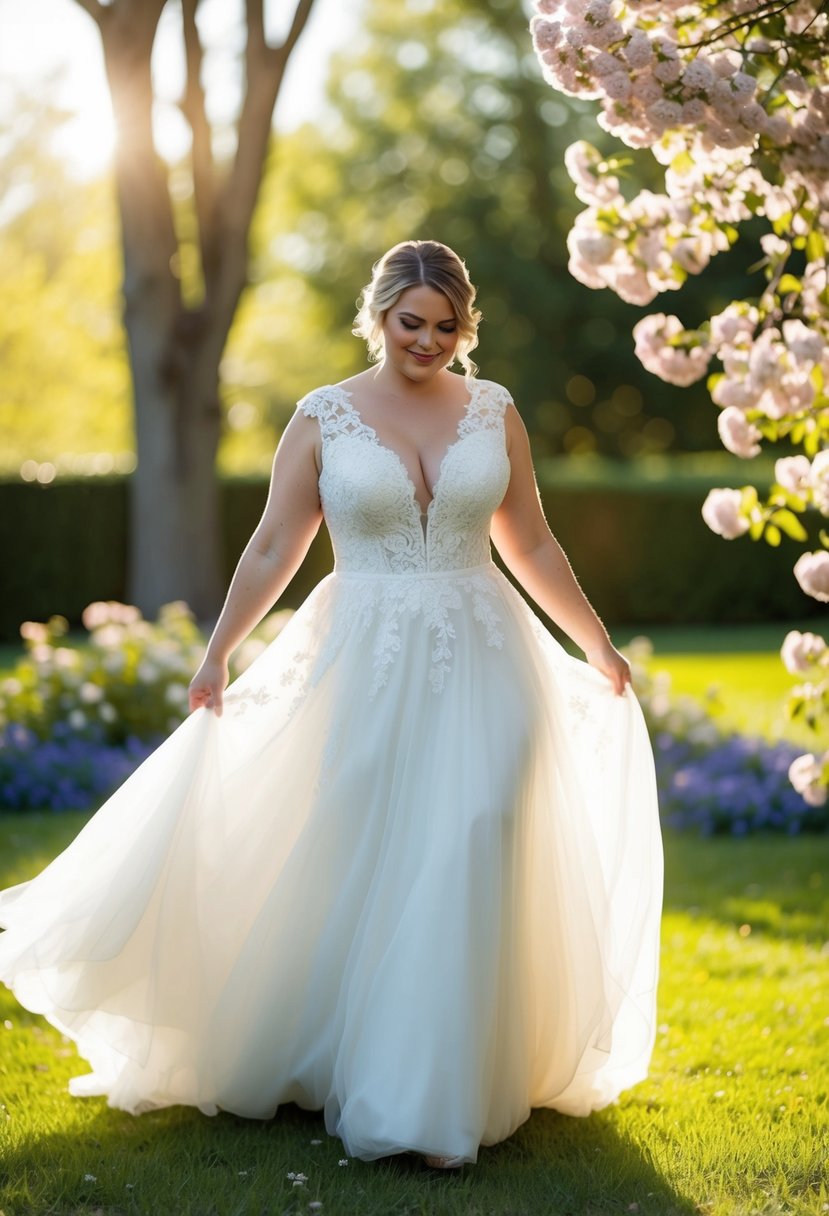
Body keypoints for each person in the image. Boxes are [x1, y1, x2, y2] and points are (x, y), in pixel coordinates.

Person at [0, 240, 662, 1170]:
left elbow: (533, 542)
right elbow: (274, 545)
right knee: (367, 848)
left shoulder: (493, 411)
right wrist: (219, 650)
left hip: (485, 649)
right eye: (409, 323)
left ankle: (441, 1086)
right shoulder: (324, 417)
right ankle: (363, 1064)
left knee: (476, 832)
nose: (426, 341)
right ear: (379, 315)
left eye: (445, 327)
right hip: (364, 659)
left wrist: (591, 641)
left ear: (462, 329)